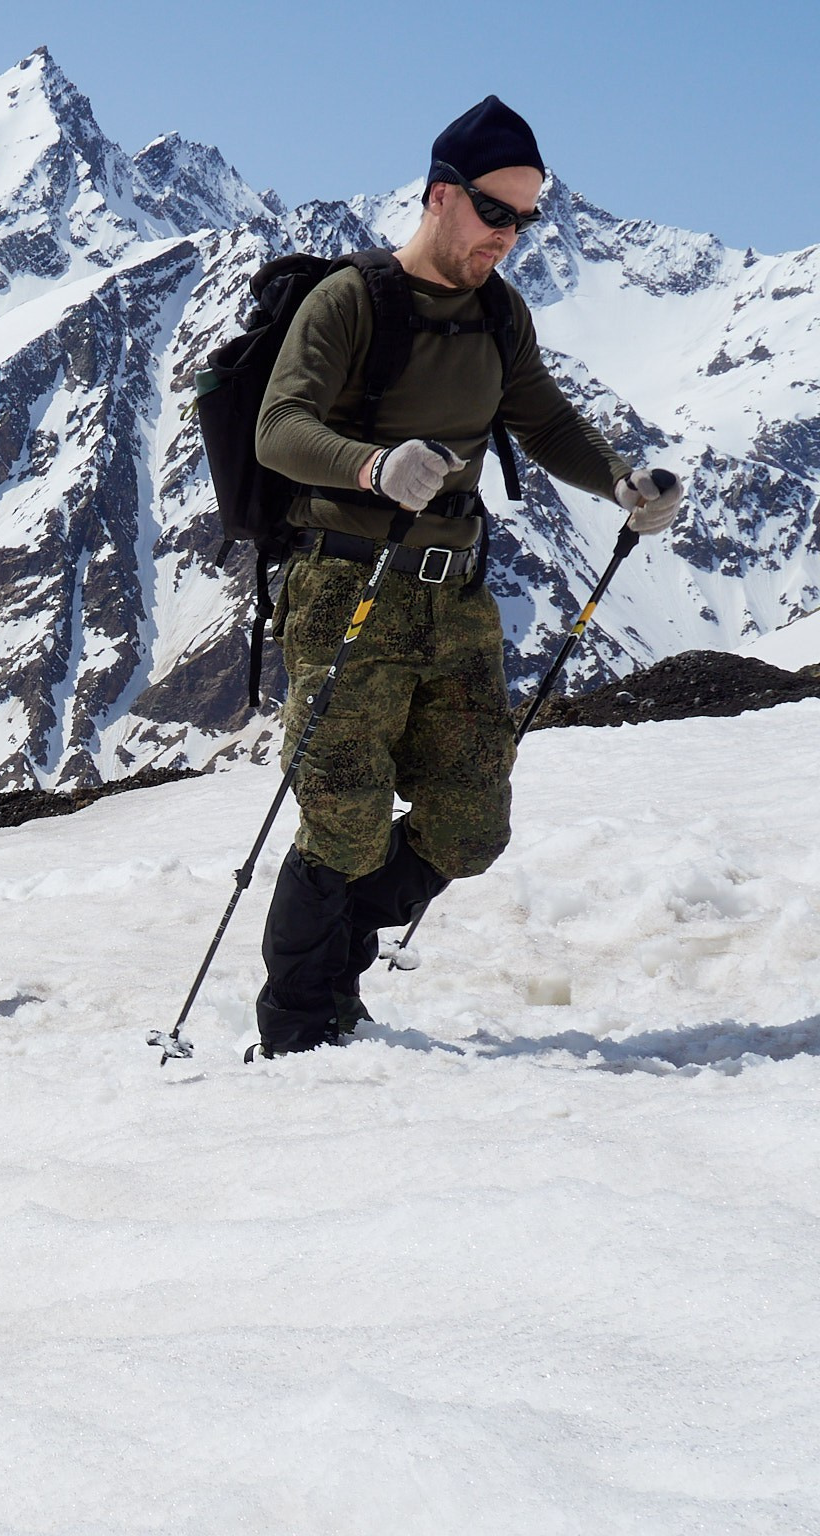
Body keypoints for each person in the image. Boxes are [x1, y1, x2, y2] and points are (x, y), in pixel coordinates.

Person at [249, 95, 686, 1056]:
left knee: (470, 824)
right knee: (343, 820)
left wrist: (620, 480)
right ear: (441, 195)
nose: (510, 236)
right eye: (496, 212)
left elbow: (545, 421)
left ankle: (340, 955)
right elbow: (278, 430)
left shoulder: (498, 313)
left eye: (526, 218)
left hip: (454, 596)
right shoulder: (350, 302)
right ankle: (296, 1032)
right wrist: (373, 467)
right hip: (346, 587)